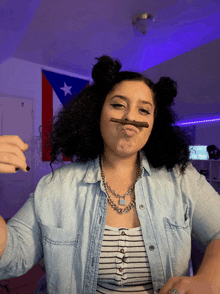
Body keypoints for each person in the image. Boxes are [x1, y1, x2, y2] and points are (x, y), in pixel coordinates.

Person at [0, 55, 220, 294]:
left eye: (144, 110)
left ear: (155, 122)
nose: (130, 117)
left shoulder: (183, 179)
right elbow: (10, 258)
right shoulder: (54, 186)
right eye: (118, 105)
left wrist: (209, 278)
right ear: (97, 113)